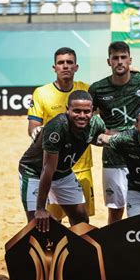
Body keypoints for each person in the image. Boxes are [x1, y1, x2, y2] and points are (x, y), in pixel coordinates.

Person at [19, 90, 106, 232]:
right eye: (76, 111)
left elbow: (105, 136)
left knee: (81, 219)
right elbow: (48, 169)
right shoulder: (57, 126)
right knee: (37, 222)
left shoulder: (96, 123)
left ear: (92, 111)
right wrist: (40, 208)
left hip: (63, 172)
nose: (82, 116)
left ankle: (77, 253)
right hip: (35, 171)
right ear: (67, 110)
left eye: (86, 111)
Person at [27, 47, 95, 222]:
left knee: (81, 221)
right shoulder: (41, 93)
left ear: (76, 67)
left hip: (82, 167)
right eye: (61, 63)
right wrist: (36, 131)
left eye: (69, 62)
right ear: (54, 67)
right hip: (52, 168)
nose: (65, 66)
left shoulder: (87, 90)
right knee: (51, 222)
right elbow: (33, 125)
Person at [89, 41, 140, 224]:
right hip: (112, 158)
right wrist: (101, 135)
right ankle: (112, 250)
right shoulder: (97, 89)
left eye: (123, 57)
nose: (119, 62)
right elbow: (88, 122)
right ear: (109, 61)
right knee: (115, 211)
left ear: (130, 60)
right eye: (115, 58)